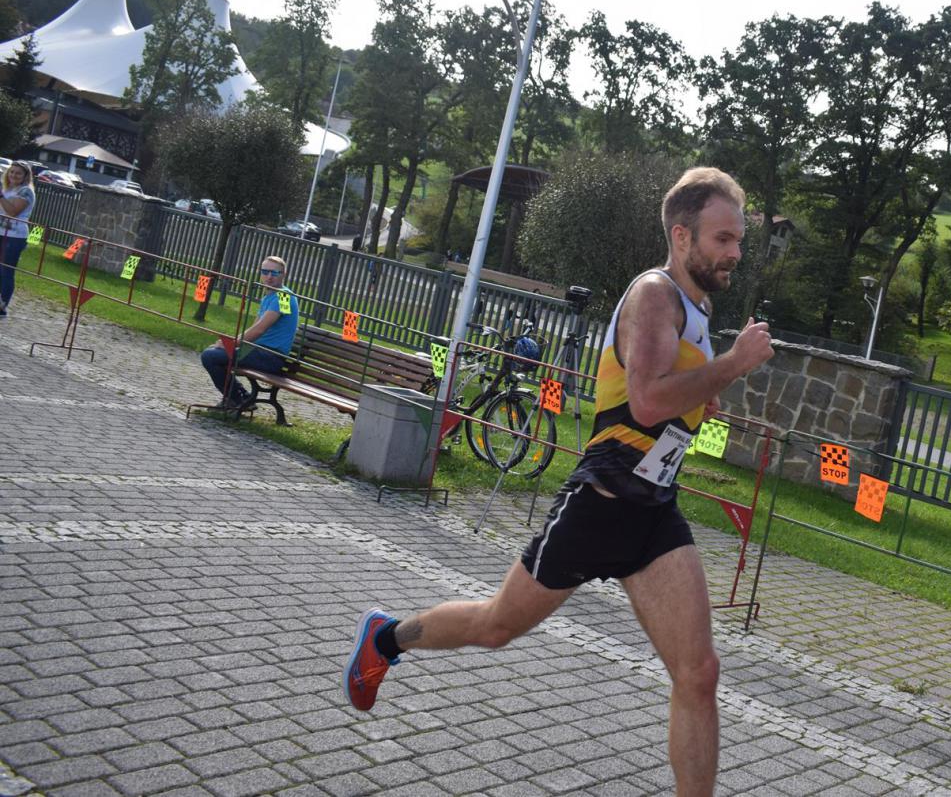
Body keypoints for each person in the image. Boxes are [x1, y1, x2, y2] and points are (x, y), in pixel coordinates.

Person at [343, 167, 774, 796]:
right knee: (496, 626)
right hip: (601, 504)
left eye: (738, 240)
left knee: (699, 673)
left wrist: (703, 397)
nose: (735, 252)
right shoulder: (654, 296)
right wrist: (732, 364)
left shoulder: (699, 308)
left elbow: (664, 397)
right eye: (723, 239)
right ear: (682, 237)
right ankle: (385, 639)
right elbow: (648, 401)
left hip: (653, 510)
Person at [199, 256, 299, 409]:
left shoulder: (284, 297)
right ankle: (241, 398)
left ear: (283, 274)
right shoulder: (269, 297)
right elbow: (255, 327)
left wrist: (232, 344)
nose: (269, 277)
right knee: (213, 352)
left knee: (210, 356)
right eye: (265, 272)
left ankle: (239, 399)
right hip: (259, 350)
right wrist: (231, 344)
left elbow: (260, 329)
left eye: (274, 273)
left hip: (270, 356)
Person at [0, 160, 37, 318]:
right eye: (12, 171)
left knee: (6, 271)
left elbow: (12, 211)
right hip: (1, 232)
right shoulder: (8, 189)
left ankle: (2, 306)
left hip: (14, 236)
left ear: (25, 176)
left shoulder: (25, 191)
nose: (14, 175)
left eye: (18, 173)